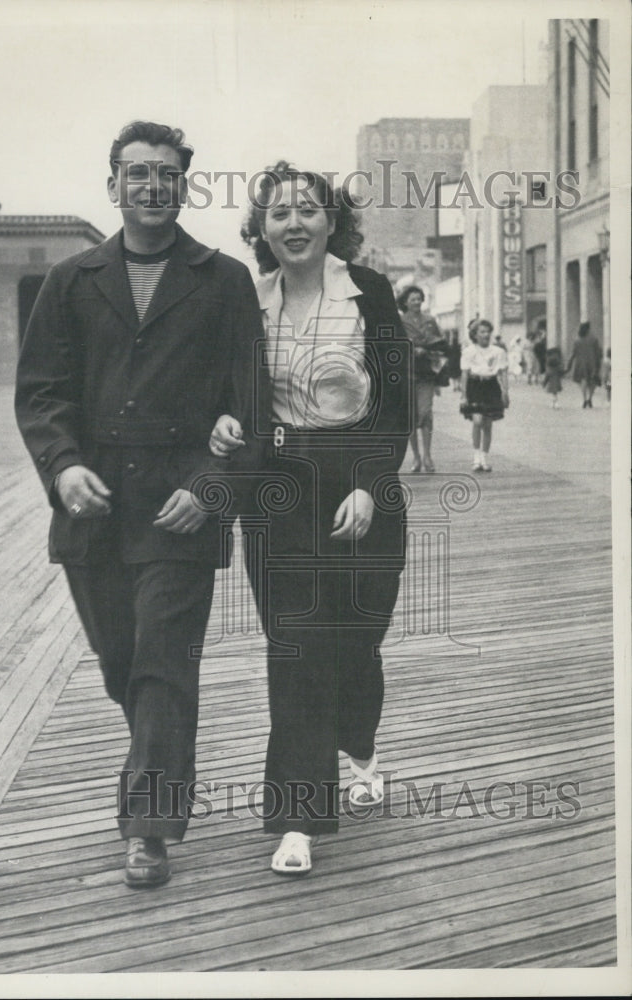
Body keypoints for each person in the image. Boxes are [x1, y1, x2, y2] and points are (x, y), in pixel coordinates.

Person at [15, 121, 262, 889]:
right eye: (137, 173)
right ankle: (157, 775)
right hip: (94, 511)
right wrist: (61, 469)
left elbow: (251, 405)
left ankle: (148, 828)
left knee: (161, 662)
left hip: (181, 509)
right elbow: (40, 395)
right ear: (113, 184)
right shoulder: (70, 281)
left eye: (166, 173)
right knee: (122, 662)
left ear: (183, 185)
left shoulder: (223, 281)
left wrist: (211, 492)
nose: (151, 185)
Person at [209, 162, 411, 876]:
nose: (292, 224)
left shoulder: (370, 295)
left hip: (362, 484)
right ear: (260, 230)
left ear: (332, 221)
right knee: (295, 644)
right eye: (277, 214)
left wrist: (368, 482)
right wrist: (227, 421)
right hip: (278, 488)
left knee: (354, 643)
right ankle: (297, 818)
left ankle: (360, 746)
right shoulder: (245, 299)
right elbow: (223, 388)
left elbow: (395, 406)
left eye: (306, 211)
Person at [396, 285, 446, 473]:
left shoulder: (430, 320)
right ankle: (416, 457)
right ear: (405, 302)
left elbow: (441, 343)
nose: (417, 302)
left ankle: (428, 455)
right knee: (410, 417)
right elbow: (394, 344)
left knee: (425, 412)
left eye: (419, 298)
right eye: (413, 299)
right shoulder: (399, 321)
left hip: (426, 372)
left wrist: (429, 349)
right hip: (406, 372)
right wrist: (410, 348)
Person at [459, 319, 509, 472]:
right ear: (475, 334)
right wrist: (463, 395)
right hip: (475, 386)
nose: (486, 335)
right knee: (477, 421)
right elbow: (465, 374)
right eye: (482, 332)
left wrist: (505, 392)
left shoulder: (498, 352)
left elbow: (503, 373)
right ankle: (476, 457)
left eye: (488, 331)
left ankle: (484, 458)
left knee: (487, 424)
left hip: (491, 386)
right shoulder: (468, 351)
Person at [566, 321, 603, 408]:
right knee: (593, 382)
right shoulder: (594, 339)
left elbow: (573, 353)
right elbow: (598, 352)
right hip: (593, 363)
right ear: (589, 329)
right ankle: (590, 398)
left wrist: (569, 364)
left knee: (583, 381)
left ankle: (584, 399)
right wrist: (599, 362)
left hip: (580, 364)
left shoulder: (577, 340)